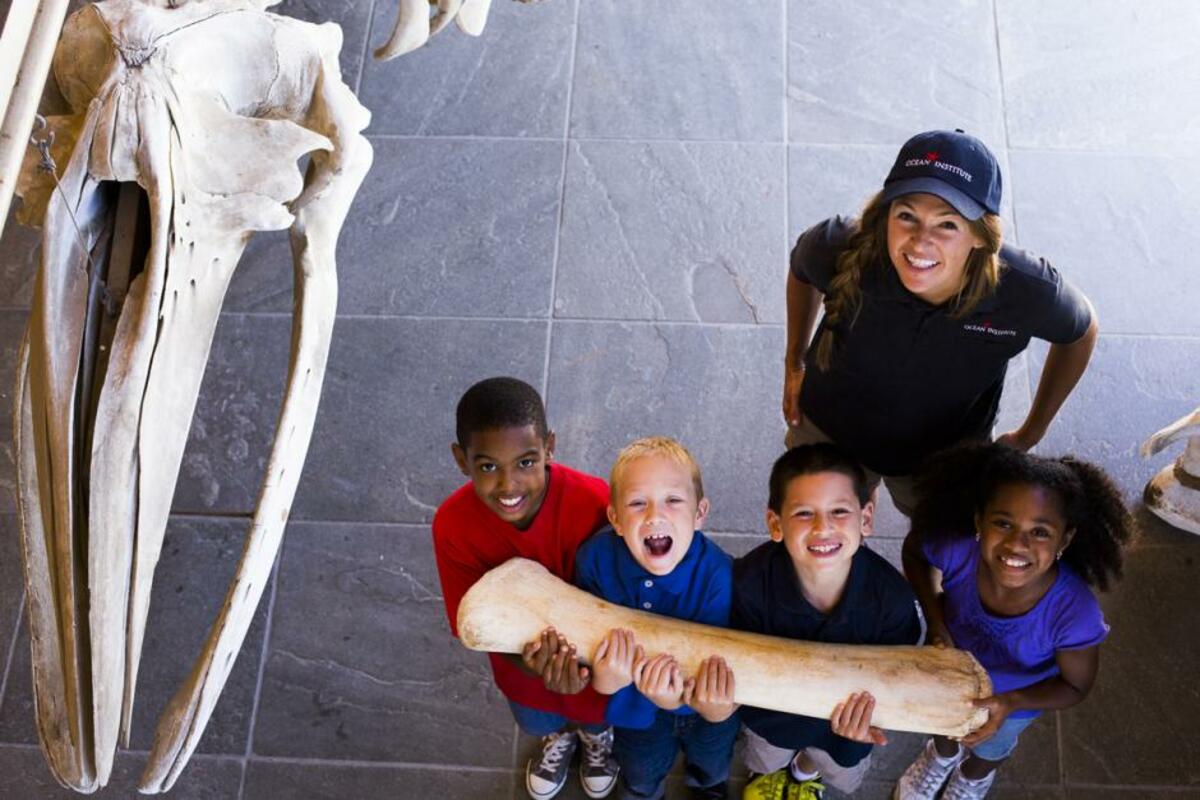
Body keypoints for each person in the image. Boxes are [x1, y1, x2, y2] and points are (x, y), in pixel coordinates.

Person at [782, 129, 1098, 515]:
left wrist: (1032, 431)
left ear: (981, 235)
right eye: (906, 216)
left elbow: (1081, 333)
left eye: (947, 224)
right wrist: (794, 361)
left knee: (935, 534)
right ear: (885, 216)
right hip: (829, 428)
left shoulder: (1026, 290)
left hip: (943, 457)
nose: (920, 241)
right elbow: (801, 270)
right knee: (818, 529)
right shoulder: (838, 245)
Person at [896, 442, 1135, 799]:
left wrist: (1012, 702)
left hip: (1013, 706)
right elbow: (915, 551)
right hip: (948, 678)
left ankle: (972, 778)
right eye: (1003, 523)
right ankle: (940, 756)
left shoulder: (1074, 613)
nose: (1017, 544)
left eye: (1040, 532)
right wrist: (936, 621)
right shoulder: (959, 550)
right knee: (942, 728)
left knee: (990, 749)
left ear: (1065, 539)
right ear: (979, 521)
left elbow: (1075, 687)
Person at [432, 377, 619, 800]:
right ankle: (558, 739)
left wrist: (585, 665)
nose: (508, 485)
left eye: (526, 462)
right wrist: (534, 666)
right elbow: (473, 625)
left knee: (596, 713)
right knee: (538, 719)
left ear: (549, 448)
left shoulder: (596, 502)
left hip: (598, 662)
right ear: (461, 460)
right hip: (520, 669)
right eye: (487, 467)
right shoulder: (453, 527)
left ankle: (596, 741)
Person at [735, 443, 923, 800]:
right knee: (766, 757)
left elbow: (896, 676)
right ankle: (771, 775)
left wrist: (874, 717)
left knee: (831, 763)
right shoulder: (749, 583)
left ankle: (804, 771)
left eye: (839, 511)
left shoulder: (893, 601)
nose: (823, 527)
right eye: (804, 513)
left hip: (844, 729)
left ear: (865, 519)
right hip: (773, 719)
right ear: (775, 524)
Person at [574, 437, 739, 800]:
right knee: (640, 769)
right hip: (633, 708)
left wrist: (708, 708)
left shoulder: (719, 575)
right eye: (637, 503)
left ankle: (708, 788)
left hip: (705, 706)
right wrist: (604, 680)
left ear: (700, 513)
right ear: (615, 519)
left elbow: (729, 659)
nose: (655, 516)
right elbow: (584, 638)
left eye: (673, 500)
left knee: (711, 761)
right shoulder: (594, 562)